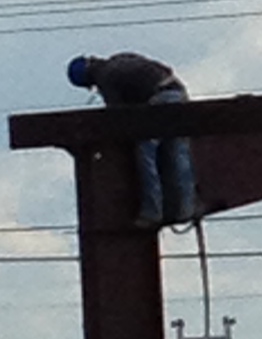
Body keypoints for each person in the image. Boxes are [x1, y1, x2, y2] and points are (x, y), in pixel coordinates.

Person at [66, 50, 197, 229]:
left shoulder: (105, 77)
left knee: (146, 150)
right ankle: (185, 209)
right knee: (177, 149)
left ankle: (153, 211)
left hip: (160, 99)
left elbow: (118, 116)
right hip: (177, 91)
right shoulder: (120, 58)